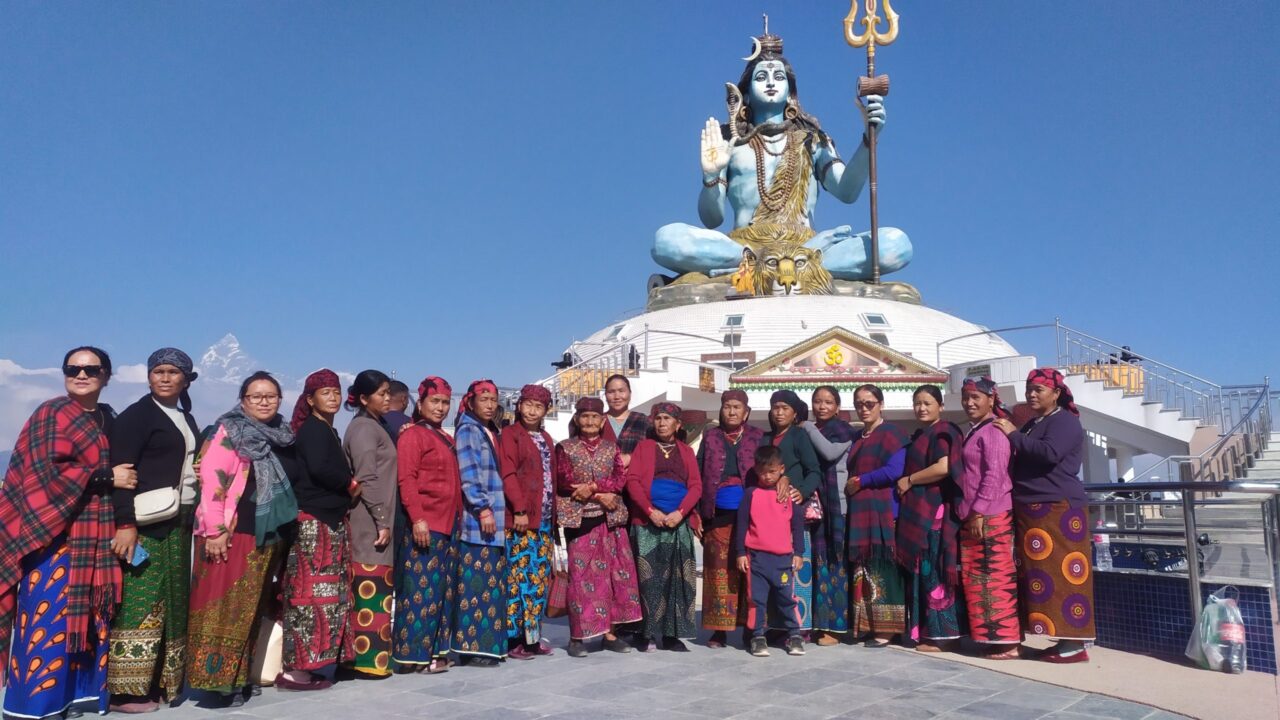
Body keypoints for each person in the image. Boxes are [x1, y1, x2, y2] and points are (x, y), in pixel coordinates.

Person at [653, 24, 910, 283]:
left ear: (791, 93)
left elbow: (847, 190)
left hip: (807, 244)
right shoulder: (732, 143)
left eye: (778, 77)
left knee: (895, 244)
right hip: (745, 246)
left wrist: (869, 140)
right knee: (666, 240)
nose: (771, 83)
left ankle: (775, 265)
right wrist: (711, 176)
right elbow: (712, 219)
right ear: (746, 96)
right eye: (761, 77)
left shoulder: (812, 139)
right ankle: (785, 264)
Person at [0, 347, 132, 720]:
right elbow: (43, 473)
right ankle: (34, 705)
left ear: (106, 376)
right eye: (73, 368)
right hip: (51, 537)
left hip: (95, 534)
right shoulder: (52, 413)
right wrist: (106, 476)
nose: (81, 374)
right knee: (46, 616)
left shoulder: (107, 418)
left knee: (92, 617)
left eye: (91, 369)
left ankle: (77, 698)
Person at [188, 371, 297, 706]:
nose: (264, 401)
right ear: (243, 399)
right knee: (224, 607)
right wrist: (215, 531)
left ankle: (240, 675)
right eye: (256, 396)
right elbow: (212, 482)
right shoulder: (230, 430)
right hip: (233, 532)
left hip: (267, 534)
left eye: (271, 396)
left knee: (250, 608)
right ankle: (215, 682)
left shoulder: (283, 434)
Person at [106, 348, 201, 712]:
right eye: (158, 371)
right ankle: (125, 690)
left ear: (185, 379)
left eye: (172, 372)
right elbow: (122, 475)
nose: (164, 378)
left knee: (172, 601)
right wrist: (125, 524)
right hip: (144, 525)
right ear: (148, 377)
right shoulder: (137, 417)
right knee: (140, 600)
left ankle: (163, 681)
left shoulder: (183, 417)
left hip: (176, 524)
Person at [993, 369, 1093, 663]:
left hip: (1058, 507)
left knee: (1065, 576)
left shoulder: (1066, 422)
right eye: (1029, 389)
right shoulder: (1034, 423)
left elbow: (1049, 453)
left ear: (1056, 393)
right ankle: (1058, 639)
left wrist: (1012, 432)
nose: (1032, 394)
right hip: (1033, 508)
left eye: (1039, 389)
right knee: (1042, 578)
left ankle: (1074, 644)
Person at [278, 369, 356, 691]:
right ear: (310, 400)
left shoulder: (327, 430)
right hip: (314, 522)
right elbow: (320, 468)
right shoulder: (313, 430)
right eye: (325, 393)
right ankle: (296, 671)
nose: (333, 398)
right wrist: (349, 484)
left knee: (326, 597)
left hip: (328, 519)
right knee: (309, 596)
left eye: (336, 392)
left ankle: (318, 663)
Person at [555, 398, 642, 658]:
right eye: (585, 417)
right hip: (580, 520)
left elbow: (619, 478)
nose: (590, 421)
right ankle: (577, 637)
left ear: (603, 420)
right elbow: (563, 480)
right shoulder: (565, 447)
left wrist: (594, 488)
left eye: (595, 417)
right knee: (581, 580)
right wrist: (598, 495)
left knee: (614, 577)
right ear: (577, 419)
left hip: (611, 518)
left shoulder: (611, 447)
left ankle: (609, 634)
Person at [394, 376, 462, 674]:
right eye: (435, 401)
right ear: (420, 403)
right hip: (426, 523)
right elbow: (406, 479)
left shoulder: (444, 437)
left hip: (448, 525)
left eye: (445, 402)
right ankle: (412, 656)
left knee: (441, 592)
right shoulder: (413, 436)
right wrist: (418, 518)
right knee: (420, 592)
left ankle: (436, 654)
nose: (441, 407)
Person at [624, 402, 703, 652]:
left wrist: (680, 513)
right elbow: (633, 481)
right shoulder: (644, 447)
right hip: (649, 521)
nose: (662, 423)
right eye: (658, 419)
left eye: (667, 419)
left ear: (678, 425)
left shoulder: (686, 452)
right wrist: (650, 511)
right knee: (648, 578)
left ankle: (672, 635)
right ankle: (644, 633)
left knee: (678, 579)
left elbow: (696, 487)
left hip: (677, 522)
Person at [895, 385, 964, 652]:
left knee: (933, 574)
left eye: (927, 403)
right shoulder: (922, 434)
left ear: (940, 406)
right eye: (917, 403)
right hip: (919, 512)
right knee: (922, 573)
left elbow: (944, 467)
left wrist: (910, 480)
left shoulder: (943, 431)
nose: (921, 408)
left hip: (933, 514)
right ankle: (923, 631)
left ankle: (941, 635)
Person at [341, 369, 398, 678]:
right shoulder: (364, 428)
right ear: (364, 398)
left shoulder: (376, 425)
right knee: (369, 585)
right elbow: (366, 477)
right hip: (369, 521)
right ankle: (366, 661)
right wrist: (381, 520)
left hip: (377, 518)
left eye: (389, 392)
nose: (387, 398)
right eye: (381, 394)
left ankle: (365, 659)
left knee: (374, 584)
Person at [696, 389, 763, 648]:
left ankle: (750, 627)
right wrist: (696, 514)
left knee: (748, 572)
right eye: (727, 407)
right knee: (718, 572)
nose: (732, 411)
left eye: (737, 407)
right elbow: (699, 471)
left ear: (746, 412)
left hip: (751, 517)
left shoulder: (757, 436)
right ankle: (718, 630)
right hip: (717, 517)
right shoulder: (710, 437)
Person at [958, 377, 1019, 659]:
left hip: (990, 513)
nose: (970, 402)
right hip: (977, 514)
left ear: (991, 399)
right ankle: (991, 638)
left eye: (976, 397)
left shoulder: (993, 431)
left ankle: (1007, 642)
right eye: (966, 397)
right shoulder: (976, 430)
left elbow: (994, 474)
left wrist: (979, 510)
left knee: (995, 577)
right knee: (979, 578)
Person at [845, 383, 909, 646]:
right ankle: (869, 625)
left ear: (881, 404)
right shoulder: (858, 437)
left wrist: (861, 481)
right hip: (861, 512)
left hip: (883, 512)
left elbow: (895, 470)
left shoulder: (892, 433)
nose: (864, 408)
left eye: (869, 403)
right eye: (859, 403)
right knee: (864, 568)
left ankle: (888, 629)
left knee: (885, 568)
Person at [498, 384, 557, 659]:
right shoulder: (510, 435)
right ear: (518, 405)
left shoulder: (546, 437)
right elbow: (508, 473)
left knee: (537, 581)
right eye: (528, 404)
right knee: (517, 580)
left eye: (539, 406)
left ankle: (532, 638)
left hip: (543, 522)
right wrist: (519, 509)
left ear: (546, 410)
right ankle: (513, 641)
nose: (532, 411)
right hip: (521, 521)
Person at [453, 379, 508, 666]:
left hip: (494, 522)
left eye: (493, 399)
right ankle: (473, 648)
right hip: (478, 524)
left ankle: (488, 646)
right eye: (483, 399)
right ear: (471, 401)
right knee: (476, 588)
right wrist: (482, 508)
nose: (489, 404)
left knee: (489, 586)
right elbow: (469, 472)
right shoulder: (468, 430)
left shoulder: (488, 429)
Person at [734, 445, 805, 657]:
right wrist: (740, 553)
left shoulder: (789, 495)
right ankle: (757, 636)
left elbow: (797, 526)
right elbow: (742, 524)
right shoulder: (751, 494)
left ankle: (795, 634)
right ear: (756, 470)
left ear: (781, 469)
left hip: (783, 559)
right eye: (763, 471)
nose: (767, 476)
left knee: (786, 598)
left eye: (772, 471)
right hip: (756, 558)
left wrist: (798, 553)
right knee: (756, 599)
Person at [801, 385, 856, 645]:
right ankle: (818, 623)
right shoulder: (813, 431)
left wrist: (808, 427)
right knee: (819, 565)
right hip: (816, 506)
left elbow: (830, 453)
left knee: (836, 565)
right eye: (818, 401)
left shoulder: (842, 430)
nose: (822, 406)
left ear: (837, 406)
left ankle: (835, 627)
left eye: (828, 402)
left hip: (838, 507)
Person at [763, 390, 820, 636]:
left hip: (793, 513)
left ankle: (800, 626)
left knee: (797, 566)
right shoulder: (765, 438)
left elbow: (814, 470)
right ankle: (775, 625)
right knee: (772, 568)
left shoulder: (798, 436)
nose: (779, 412)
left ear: (795, 412)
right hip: (769, 514)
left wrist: (803, 492)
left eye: (785, 407)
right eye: (775, 407)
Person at [601, 374, 652, 465]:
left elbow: (653, 451)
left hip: (635, 476)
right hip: (602, 477)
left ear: (630, 393)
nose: (617, 397)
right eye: (611, 392)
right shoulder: (597, 421)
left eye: (621, 391)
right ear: (605, 395)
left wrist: (630, 457)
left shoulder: (642, 421)